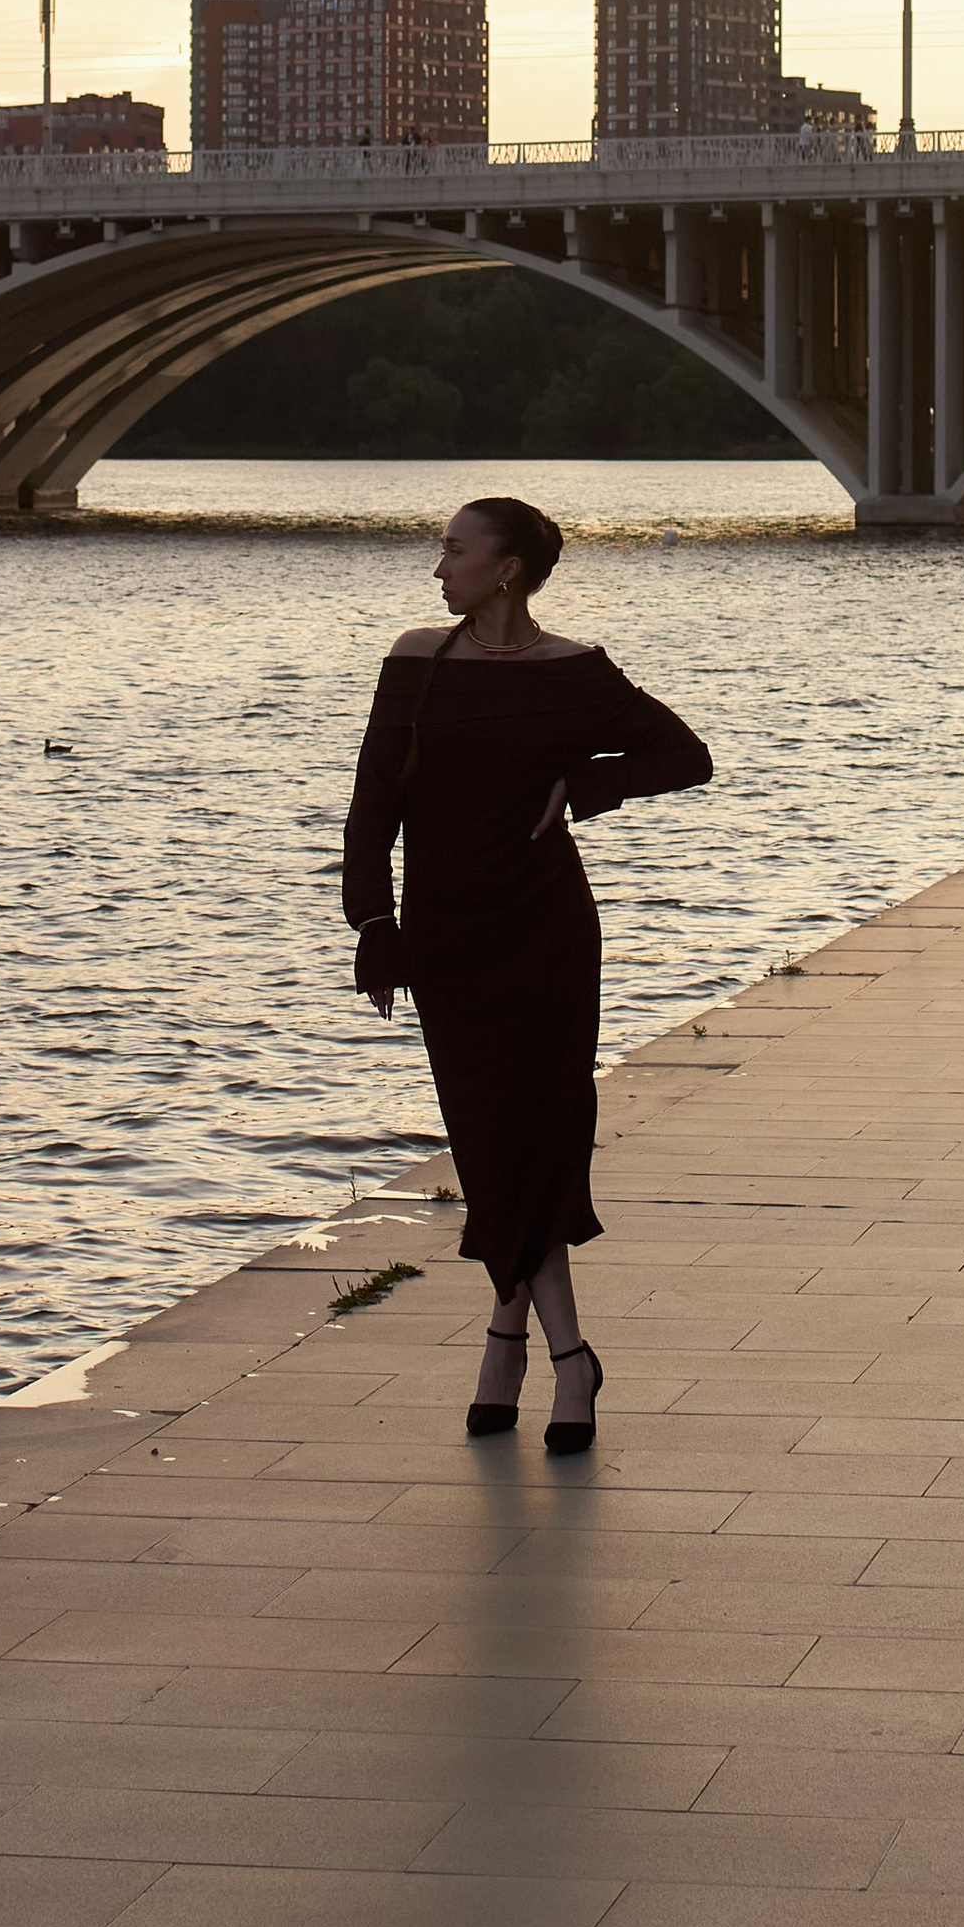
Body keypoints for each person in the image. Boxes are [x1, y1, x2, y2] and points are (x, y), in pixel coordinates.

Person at [342, 496, 710, 1454]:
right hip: (447, 936)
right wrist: (374, 922)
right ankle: (562, 1353)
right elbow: (372, 799)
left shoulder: (575, 673)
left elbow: (684, 755)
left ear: (506, 569)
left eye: (455, 552)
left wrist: (585, 784)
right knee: (486, 1138)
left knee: (542, 1133)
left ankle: (522, 1347)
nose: (438, 570)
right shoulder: (416, 661)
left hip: (545, 931)